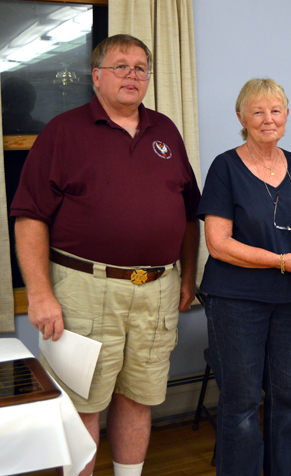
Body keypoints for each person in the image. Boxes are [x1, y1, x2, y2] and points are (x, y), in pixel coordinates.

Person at [11, 34, 200, 476]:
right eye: (121, 66)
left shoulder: (165, 131)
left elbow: (190, 214)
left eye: (140, 68)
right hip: (85, 290)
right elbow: (29, 216)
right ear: (96, 77)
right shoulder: (63, 132)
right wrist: (39, 294)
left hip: (157, 291)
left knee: (139, 397)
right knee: (83, 403)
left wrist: (188, 277)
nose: (132, 75)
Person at [197, 78, 291, 476]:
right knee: (241, 401)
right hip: (236, 300)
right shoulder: (225, 167)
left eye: (275, 110)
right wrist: (281, 261)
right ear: (242, 118)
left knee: (287, 397)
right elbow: (218, 244)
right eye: (257, 111)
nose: (267, 119)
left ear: (286, 116)